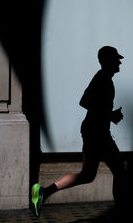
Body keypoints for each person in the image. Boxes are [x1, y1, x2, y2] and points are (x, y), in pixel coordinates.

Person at [32, 46, 126, 217]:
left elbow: (92, 105)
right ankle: (120, 210)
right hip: (96, 133)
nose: (119, 62)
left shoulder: (104, 79)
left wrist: (110, 115)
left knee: (87, 175)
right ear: (106, 61)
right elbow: (84, 102)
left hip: (95, 132)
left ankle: (44, 192)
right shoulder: (102, 79)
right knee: (118, 170)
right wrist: (109, 114)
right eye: (115, 59)